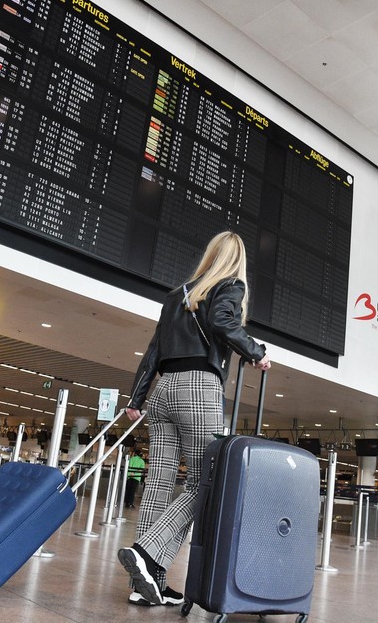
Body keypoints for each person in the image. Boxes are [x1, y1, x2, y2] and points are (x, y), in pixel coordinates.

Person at [116, 231, 271, 607]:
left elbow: (154, 349)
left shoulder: (176, 295)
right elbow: (221, 321)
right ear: (237, 261)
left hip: (164, 389)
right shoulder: (230, 284)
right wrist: (255, 351)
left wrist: (137, 397)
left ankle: (147, 582)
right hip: (199, 387)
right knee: (204, 482)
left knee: (159, 481)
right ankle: (148, 552)